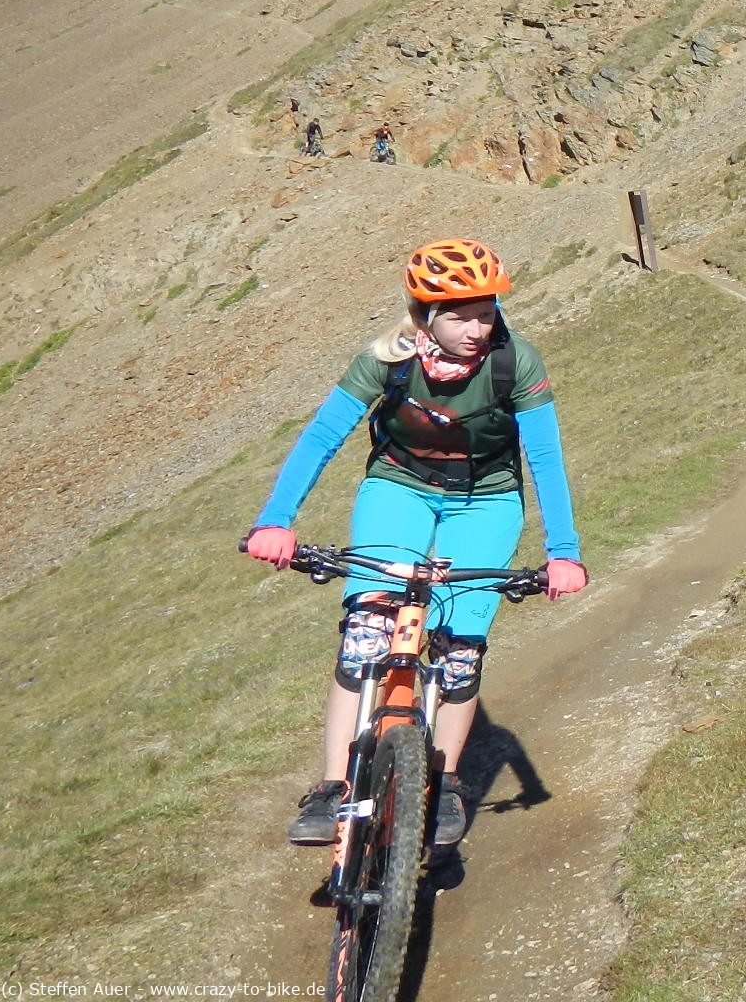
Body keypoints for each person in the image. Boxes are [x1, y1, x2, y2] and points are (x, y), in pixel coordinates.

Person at [241, 238, 588, 848]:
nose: (477, 330)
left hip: (486, 500)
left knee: (459, 651)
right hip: (399, 489)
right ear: (425, 315)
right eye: (461, 317)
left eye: (486, 314)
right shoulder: (387, 360)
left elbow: (545, 458)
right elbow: (322, 436)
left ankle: (445, 782)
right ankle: (331, 787)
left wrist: (564, 552)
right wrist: (276, 520)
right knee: (366, 633)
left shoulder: (516, 362)